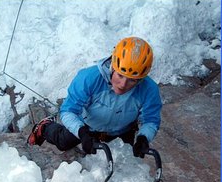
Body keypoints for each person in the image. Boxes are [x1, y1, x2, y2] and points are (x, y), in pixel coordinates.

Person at [27, 37, 162, 158]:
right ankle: (45, 127)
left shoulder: (149, 89)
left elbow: (151, 120)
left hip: (121, 130)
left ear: (140, 80)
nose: (123, 84)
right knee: (63, 142)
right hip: (87, 125)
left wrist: (143, 138)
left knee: (125, 159)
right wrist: (81, 132)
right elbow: (68, 110)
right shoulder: (89, 78)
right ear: (113, 67)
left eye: (132, 80)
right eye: (120, 75)